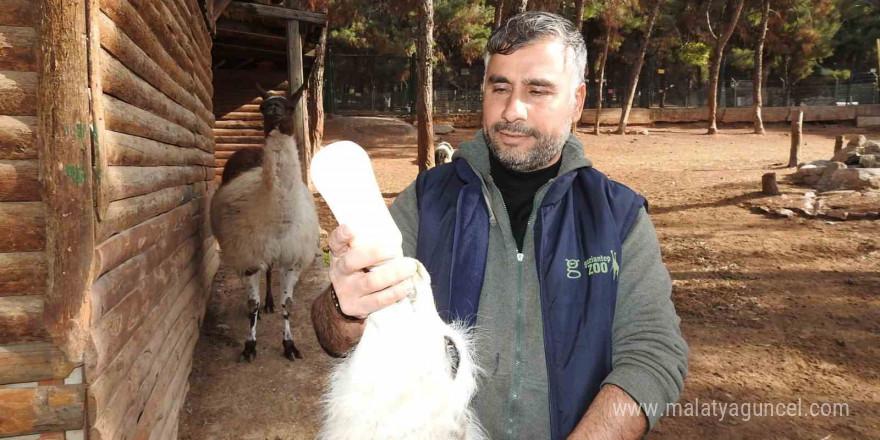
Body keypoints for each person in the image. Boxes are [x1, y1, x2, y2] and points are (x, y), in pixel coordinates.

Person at [311, 11, 688, 440]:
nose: (512, 110)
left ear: (577, 101)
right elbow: (332, 337)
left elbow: (656, 355)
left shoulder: (617, 217)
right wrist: (345, 309)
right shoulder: (427, 201)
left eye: (538, 89)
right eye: (500, 86)